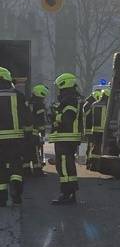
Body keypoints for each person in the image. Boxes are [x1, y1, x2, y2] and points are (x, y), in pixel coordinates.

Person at [48, 73, 82, 205]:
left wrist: (55, 117)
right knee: (68, 166)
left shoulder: (68, 100)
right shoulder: (71, 98)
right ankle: (71, 193)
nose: (58, 90)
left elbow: (68, 118)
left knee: (63, 166)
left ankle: (65, 194)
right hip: (68, 138)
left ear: (64, 84)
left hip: (65, 138)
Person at [0, 67, 30, 206]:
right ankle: (16, 187)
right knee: (16, 163)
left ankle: (1, 198)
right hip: (15, 137)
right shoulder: (18, 95)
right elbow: (26, 116)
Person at [25, 84, 49, 177]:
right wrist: (42, 132)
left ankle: (26, 171)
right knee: (35, 152)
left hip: (24, 132)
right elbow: (41, 120)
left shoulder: (27, 102)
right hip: (34, 132)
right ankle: (37, 170)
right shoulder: (39, 105)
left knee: (26, 151)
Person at [86, 88, 109, 170]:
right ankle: (98, 165)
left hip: (94, 129)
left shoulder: (94, 104)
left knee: (94, 146)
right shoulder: (109, 105)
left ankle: (91, 164)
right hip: (104, 130)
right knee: (100, 147)